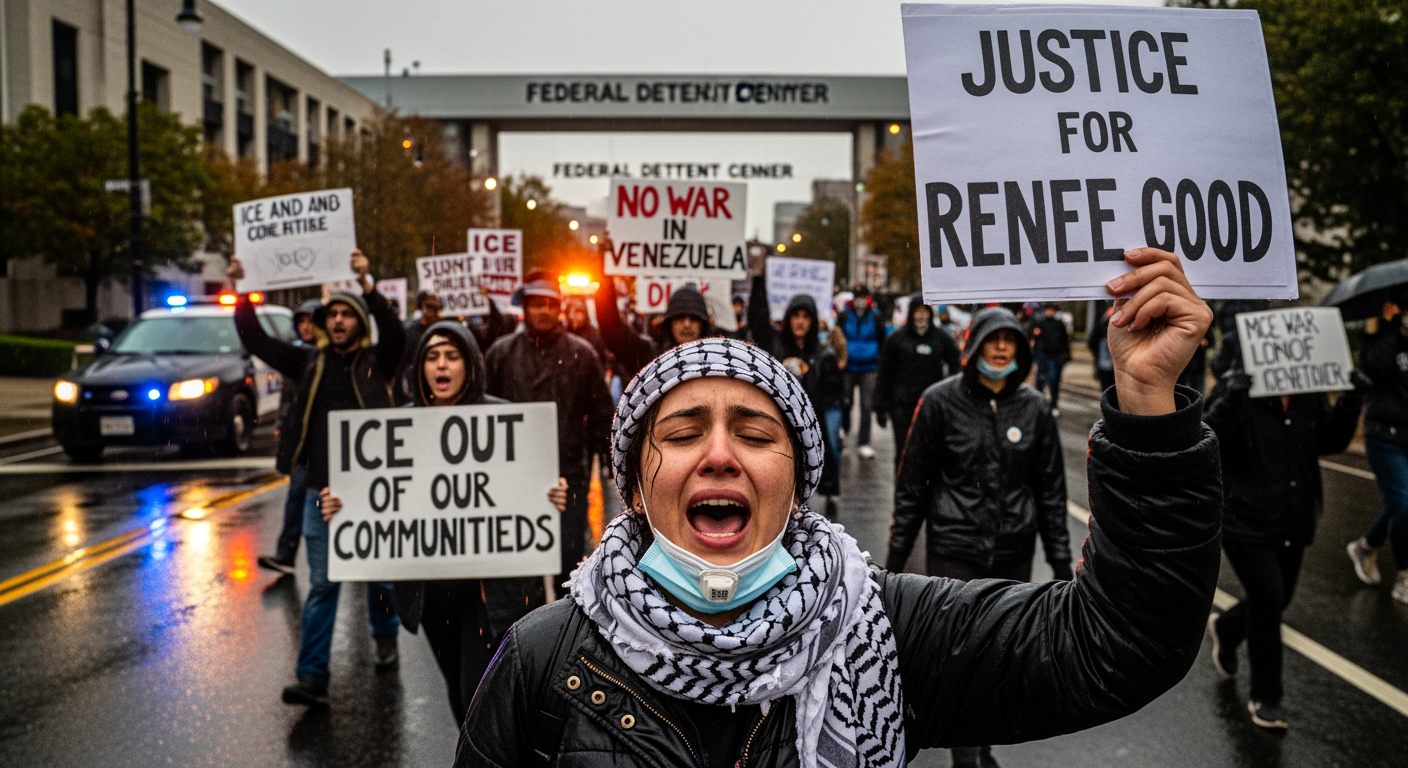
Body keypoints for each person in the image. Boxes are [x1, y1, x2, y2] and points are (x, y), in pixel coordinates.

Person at [454, 248, 1220, 767]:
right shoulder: (541, 660)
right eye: (683, 433)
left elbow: (1118, 643)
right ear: (634, 482)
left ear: (796, 481)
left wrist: (1148, 404)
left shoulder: (890, 629)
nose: (719, 455)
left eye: (755, 434)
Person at [317, 320, 568, 724]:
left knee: (476, 693)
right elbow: (371, 496)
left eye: (452, 355)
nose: (442, 364)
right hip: (431, 592)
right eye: (432, 356)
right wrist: (340, 506)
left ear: (470, 364)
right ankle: (477, 749)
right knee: (456, 689)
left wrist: (550, 496)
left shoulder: (504, 418)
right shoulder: (395, 426)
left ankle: (486, 753)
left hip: (487, 591)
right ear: (420, 367)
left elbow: (529, 489)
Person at [886, 306, 1071, 767]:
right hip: (954, 550)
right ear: (975, 346)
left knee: (1000, 659)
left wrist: (1062, 567)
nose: (1002, 348)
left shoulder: (1034, 409)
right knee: (957, 662)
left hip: (1013, 552)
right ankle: (966, 761)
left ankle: (982, 749)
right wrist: (892, 564)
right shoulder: (938, 402)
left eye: (1010, 340)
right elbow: (912, 487)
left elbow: (1051, 492)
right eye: (993, 339)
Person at [228, 250, 406, 707]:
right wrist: (242, 290)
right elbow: (256, 338)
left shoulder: (378, 360)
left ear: (360, 322)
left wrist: (368, 284)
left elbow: (396, 333)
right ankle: (312, 676)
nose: (340, 320)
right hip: (320, 491)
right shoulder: (308, 361)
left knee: (379, 578)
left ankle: (385, 636)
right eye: (333, 315)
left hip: (373, 491)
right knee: (324, 583)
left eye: (348, 314)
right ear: (325, 324)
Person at [1203, 326, 1366, 731]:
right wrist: (1233, 396)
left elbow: (1328, 440)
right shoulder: (1237, 391)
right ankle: (1266, 696)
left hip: (1293, 516)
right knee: (1269, 598)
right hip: (1244, 520)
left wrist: (1351, 399)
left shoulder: (1309, 391)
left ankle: (1227, 627)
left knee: (1279, 598)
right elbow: (1207, 438)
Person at [485, 270, 614, 585]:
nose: (543, 311)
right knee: (518, 566)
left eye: (550, 304)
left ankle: (566, 616)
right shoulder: (500, 354)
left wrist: (609, 461)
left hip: (569, 475)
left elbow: (601, 413)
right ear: (524, 307)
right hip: (512, 475)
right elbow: (483, 415)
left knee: (568, 563)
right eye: (536, 304)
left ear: (559, 308)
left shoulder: (582, 354)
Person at [747, 263, 846, 517]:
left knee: (827, 453)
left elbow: (835, 390)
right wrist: (758, 279)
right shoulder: (775, 345)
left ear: (812, 321)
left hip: (814, 421)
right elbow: (757, 320)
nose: (800, 321)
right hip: (781, 420)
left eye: (806, 316)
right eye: (796, 315)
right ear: (788, 318)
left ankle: (827, 492)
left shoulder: (823, 353)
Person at [1347, 295, 1408, 603]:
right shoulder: (1377, 339)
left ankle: (1366, 547)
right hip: (1384, 435)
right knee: (1404, 503)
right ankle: (1405, 577)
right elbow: (1375, 369)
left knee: (1403, 501)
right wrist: (1390, 328)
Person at [257, 298, 322, 576]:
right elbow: (288, 400)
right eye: (301, 322)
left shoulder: (329, 357)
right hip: (303, 445)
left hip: (328, 441)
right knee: (296, 494)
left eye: (311, 321)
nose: (306, 327)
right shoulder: (296, 355)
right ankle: (286, 553)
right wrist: (283, 428)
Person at [875, 293, 962, 467]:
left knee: (931, 452)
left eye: (925, 311)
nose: (921, 315)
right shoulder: (896, 339)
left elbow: (956, 362)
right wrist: (880, 405)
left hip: (931, 406)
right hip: (902, 405)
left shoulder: (940, 338)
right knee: (904, 451)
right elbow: (885, 373)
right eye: (918, 311)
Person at [595, 276, 712, 379]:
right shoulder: (651, 357)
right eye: (680, 318)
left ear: (702, 324)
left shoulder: (715, 361)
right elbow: (612, 331)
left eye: (693, 319)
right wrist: (605, 283)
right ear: (670, 323)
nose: (687, 324)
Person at [838, 285, 886, 459]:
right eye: (857, 296)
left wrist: (880, 361)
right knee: (845, 402)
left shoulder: (876, 316)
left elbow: (882, 340)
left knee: (867, 406)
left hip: (869, 367)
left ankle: (864, 442)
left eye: (863, 296)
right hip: (848, 367)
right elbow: (838, 337)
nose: (860, 299)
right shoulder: (845, 315)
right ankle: (844, 432)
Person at [398, 290, 443, 403]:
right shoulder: (410, 332)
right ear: (422, 306)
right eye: (430, 306)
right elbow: (403, 364)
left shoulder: (444, 330)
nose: (433, 311)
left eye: (437, 307)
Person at [1029, 303, 1071, 417]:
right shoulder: (1040, 323)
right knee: (1041, 381)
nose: (1050, 312)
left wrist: (1066, 354)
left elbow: (1064, 340)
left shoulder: (1059, 324)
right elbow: (1034, 338)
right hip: (1044, 356)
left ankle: (1053, 404)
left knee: (1054, 381)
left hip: (1056, 356)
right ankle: (1040, 405)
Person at [1089, 303, 1117, 394]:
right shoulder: (1101, 326)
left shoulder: (1101, 325)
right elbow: (1092, 343)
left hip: (1109, 366)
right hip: (1105, 365)